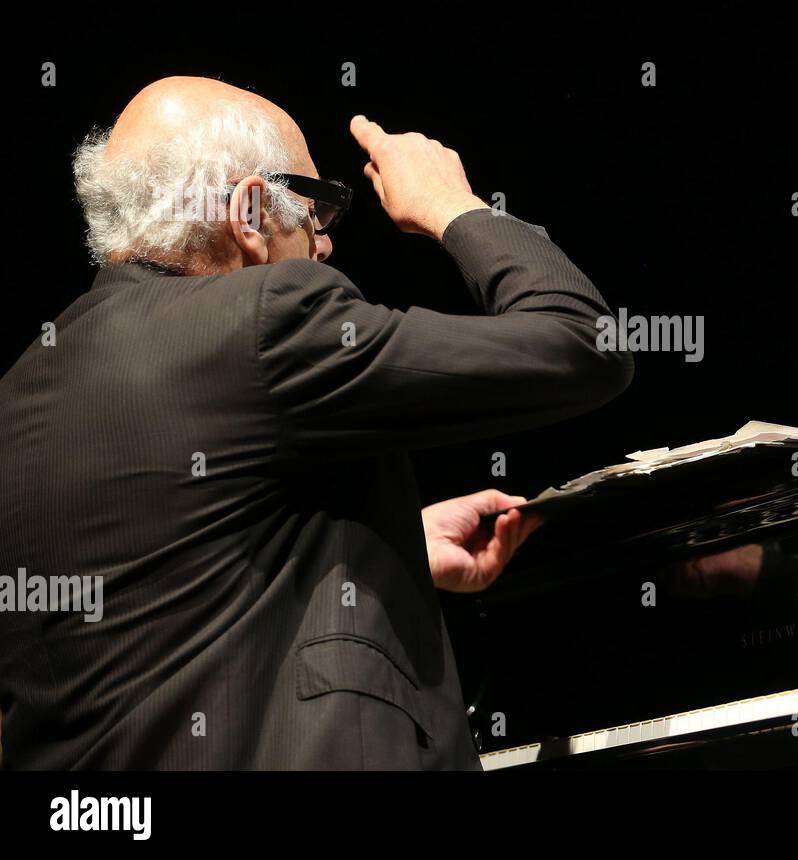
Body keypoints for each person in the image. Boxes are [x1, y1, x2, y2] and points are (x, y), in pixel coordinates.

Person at [0, 76, 633, 769]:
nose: (324, 246)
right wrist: (453, 205)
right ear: (248, 212)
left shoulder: (23, 388)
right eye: (311, 211)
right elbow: (584, 344)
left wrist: (392, 546)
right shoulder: (264, 318)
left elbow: (159, 586)